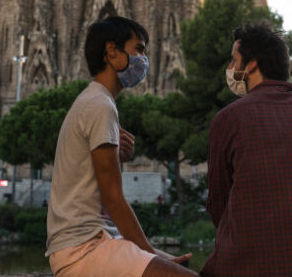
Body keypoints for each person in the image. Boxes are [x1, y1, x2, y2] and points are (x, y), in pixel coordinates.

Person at [46, 16, 196, 277]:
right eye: (138, 49)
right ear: (112, 52)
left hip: (92, 240)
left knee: (175, 266)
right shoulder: (100, 106)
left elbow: (89, 179)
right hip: (83, 248)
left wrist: (162, 256)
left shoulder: (93, 100)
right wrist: (150, 253)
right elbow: (113, 200)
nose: (143, 60)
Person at [201, 21, 292, 276]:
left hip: (251, 266)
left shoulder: (228, 119)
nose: (230, 69)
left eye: (234, 61)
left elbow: (219, 204)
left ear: (252, 65)